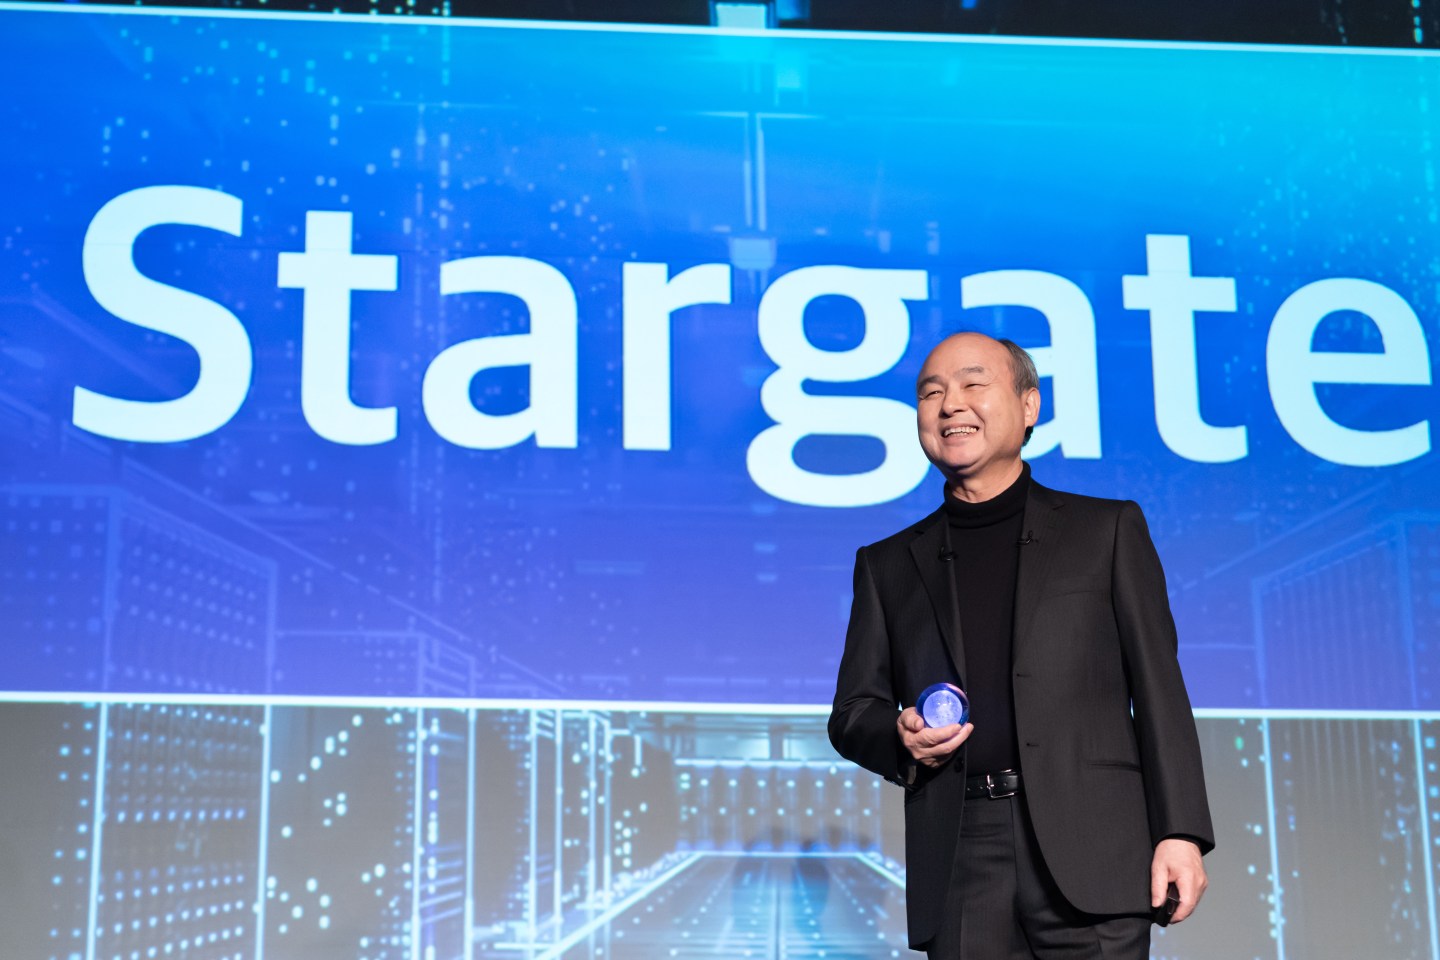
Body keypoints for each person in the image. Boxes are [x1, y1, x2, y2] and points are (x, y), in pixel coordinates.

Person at [828, 333, 1213, 959]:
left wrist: (1179, 831)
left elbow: (1160, 689)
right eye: (931, 393)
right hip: (961, 854)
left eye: (973, 385)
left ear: (1029, 406)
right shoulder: (888, 564)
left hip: (1095, 847)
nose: (950, 405)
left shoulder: (1106, 530)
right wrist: (900, 736)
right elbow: (851, 713)